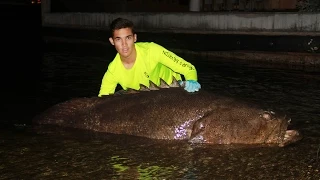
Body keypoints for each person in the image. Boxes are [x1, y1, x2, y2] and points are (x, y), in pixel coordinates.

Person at [98, 17, 201, 97]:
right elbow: (101, 102)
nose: (124, 44)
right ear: (112, 41)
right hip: (145, 106)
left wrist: (192, 80)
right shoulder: (112, 71)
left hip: (173, 94)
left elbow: (189, 68)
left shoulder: (152, 50)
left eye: (128, 38)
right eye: (118, 39)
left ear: (135, 38)